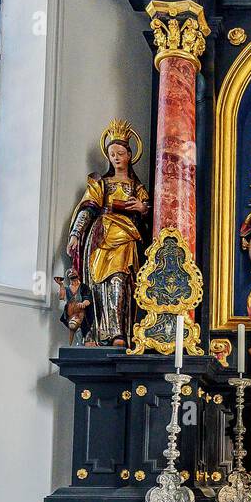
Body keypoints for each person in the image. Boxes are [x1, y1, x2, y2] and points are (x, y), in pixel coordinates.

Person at [66, 120, 149, 346]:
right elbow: (88, 208)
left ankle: (119, 333)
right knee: (98, 285)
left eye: (120, 153)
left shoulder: (136, 186)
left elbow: (149, 210)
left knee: (119, 281)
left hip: (126, 237)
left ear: (129, 155)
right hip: (101, 237)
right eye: (112, 154)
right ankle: (99, 332)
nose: (116, 157)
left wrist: (141, 208)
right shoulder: (100, 183)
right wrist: (75, 233)